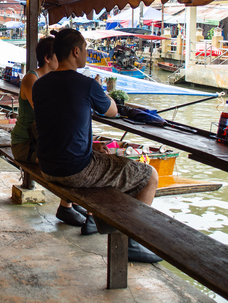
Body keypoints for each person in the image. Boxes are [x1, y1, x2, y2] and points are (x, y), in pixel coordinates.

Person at [32, 28, 161, 262]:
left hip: (47, 167)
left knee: (104, 157)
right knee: (149, 175)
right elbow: (111, 111)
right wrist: (101, 90)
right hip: (75, 171)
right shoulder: (86, 84)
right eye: (86, 50)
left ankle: (102, 220)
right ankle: (132, 240)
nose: (87, 54)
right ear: (75, 51)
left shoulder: (40, 84)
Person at [9, 36, 85, 225]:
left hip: (39, 140)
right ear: (47, 58)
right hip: (25, 143)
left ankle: (71, 202)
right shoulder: (31, 79)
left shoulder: (50, 79)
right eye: (57, 56)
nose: (62, 60)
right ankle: (66, 206)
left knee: (71, 154)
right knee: (65, 160)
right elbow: (45, 114)